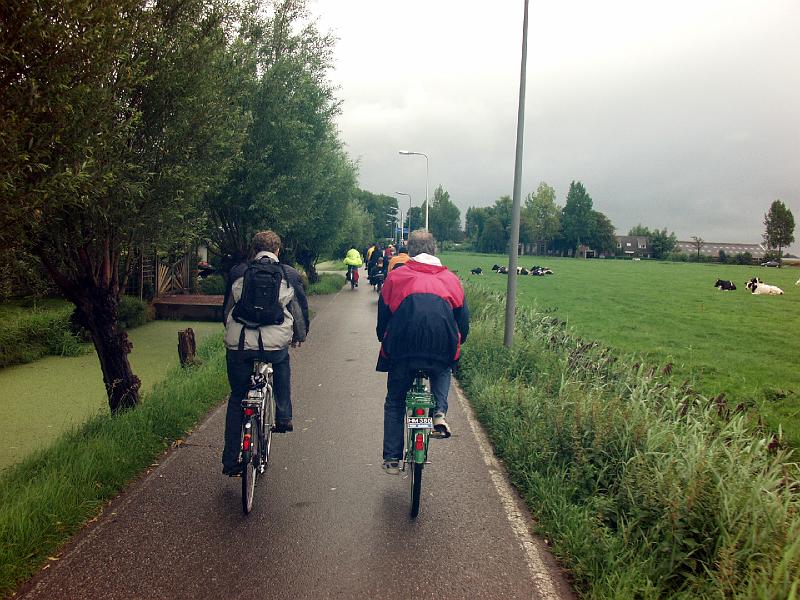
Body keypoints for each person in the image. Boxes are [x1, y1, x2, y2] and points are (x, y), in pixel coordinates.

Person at [375, 230, 469, 474]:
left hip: (402, 350)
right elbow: (463, 323)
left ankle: (392, 458)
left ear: (410, 251)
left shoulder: (397, 277)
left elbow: (383, 317)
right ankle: (439, 413)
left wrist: (383, 338)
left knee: (395, 400)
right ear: (434, 249)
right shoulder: (451, 279)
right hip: (441, 348)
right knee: (444, 364)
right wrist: (458, 342)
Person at [221, 230, 309, 476]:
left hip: (239, 343)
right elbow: (299, 309)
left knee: (238, 397)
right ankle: (283, 416)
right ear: (278, 250)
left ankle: (230, 461)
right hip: (274, 343)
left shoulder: (238, 272)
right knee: (281, 363)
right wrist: (300, 336)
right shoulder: (289, 274)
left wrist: (231, 333)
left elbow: (227, 308)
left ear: (253, 249)